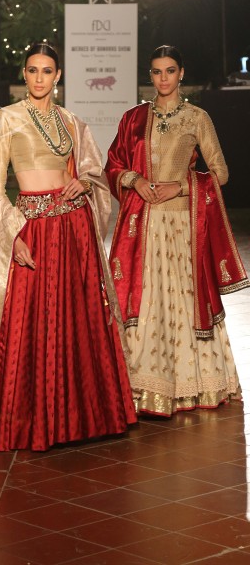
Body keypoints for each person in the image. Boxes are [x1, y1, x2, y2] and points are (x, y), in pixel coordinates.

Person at [0, 42, 136, 450]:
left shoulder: (71, 121)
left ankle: (80, 419)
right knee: (19, 322)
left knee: (77, 319)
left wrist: (84, 183)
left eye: (46, 71)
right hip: (32, 229)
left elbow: (93, 171)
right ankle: (22, 419)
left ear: (57, 76)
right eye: (32, 70)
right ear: (24, 74)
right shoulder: (6, 118)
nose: (39, 78)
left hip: (74, 229)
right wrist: (14, 235)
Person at [106, 44, 249, 417]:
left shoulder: (197, 118)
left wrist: (181, 186)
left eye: (170, 70)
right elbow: (114, 164)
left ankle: (194, 386)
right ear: (150, 75)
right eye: (156, 72)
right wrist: (135, 180)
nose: (163, 78)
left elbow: (220, 172)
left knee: (184, 302)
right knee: (147, 302)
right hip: (145, 225)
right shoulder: (133, 118)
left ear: (181, 73)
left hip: (184, 227)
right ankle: (143, 388)